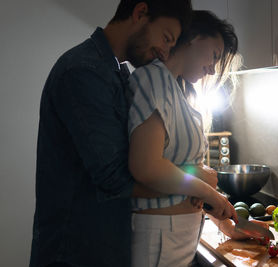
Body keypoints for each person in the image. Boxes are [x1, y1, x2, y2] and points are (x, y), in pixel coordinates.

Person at [30, 1, 192, 267]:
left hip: (101, 246)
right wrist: (192, 186)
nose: (164, 53)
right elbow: (114, 178)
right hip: (74, 253)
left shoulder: (116, 72)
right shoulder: (83, 71)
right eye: (166, 38)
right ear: (140, 13)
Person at [126, 10, 245, 266]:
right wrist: (212, 195)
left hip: (176, 233)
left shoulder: (175, 89)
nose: (213, 69)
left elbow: (186, 170)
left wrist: (225, 223)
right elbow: (147, 167)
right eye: (214, 55)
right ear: (192, 37)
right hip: (159, 234)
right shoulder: (153, 78)